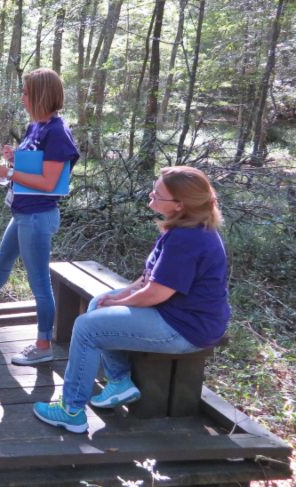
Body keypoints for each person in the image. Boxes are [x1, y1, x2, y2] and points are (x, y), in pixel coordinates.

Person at [34, 166, 230, 433]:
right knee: (97, 304)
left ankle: (71, 410)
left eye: (158, 193)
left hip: (186, 329)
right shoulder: (181, 229)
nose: (152, 194)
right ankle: (119, 382)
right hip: (175, 314)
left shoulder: (188, 238)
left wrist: (119, 304)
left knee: (87, 327)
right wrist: (119, 296)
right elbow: (149, 279)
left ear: (180, 204)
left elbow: (156, 294)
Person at [0, 68, 79, 365]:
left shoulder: (57, 131)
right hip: (23, 211)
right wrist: (14, 158)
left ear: (40, 95)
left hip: (39, 216)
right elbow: (34, 168)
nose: (22, 98)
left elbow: (50, 183)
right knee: (4, 258)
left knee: (39, 281)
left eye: (26, 93)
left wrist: (10, 172)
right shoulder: (34, 127)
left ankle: (43, 344)